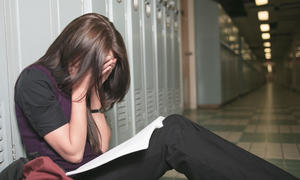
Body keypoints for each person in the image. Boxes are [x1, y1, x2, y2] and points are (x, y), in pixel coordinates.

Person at [14, 13, 298, 180]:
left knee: (173, 128)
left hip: (93, 169)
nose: (103, 72)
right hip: (70, 177)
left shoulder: (82, 88)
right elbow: (74, 153)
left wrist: (95, 92)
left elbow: (100, 148)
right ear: (77, 50)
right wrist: (81, 89)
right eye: (99, 65)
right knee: (173, 134)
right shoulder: (35, 80)